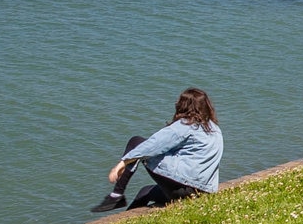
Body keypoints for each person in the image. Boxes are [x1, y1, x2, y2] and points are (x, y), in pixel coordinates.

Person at [92, 88, 223, 211]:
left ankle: (116, 195)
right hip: (203, 192)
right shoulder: (215, 129)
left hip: (186, 187)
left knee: (136, 142)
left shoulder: (186, 125)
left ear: (183, 106)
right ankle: (123, 222)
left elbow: (152, 145)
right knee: (145, 192)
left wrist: (121, 164)